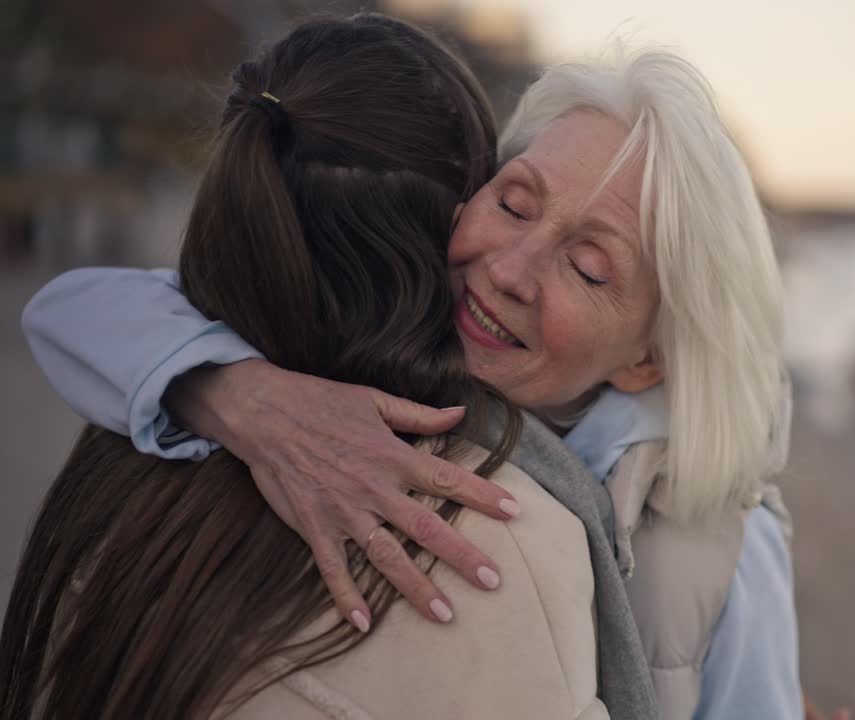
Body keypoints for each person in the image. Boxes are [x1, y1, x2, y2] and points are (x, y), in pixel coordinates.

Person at [23, 38, 802, 720]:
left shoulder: (723, 553)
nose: (509, 269)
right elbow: (74, 308)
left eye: (589, 269)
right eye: (514, 204)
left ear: (647, 360)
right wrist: (241, 395)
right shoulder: (365, 339)